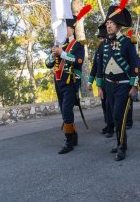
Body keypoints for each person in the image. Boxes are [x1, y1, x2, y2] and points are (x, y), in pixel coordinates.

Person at [96, 4, 138, 162]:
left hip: (123, 84)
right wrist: (100, 86)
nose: (108, 25)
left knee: (118, 115)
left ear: (118, 26)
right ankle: (120, 142)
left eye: (111, 23)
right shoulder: (104, 44)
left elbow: (135, 65)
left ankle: (122, 147)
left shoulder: (127, 43)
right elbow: (100, 66)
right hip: (108, 85)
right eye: (107, 23)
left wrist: (134, 86)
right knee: (113, 117)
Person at [46, 14, 85, 154]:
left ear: (71, 29)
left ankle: (68, 141)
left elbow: (79, 61)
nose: (62, 31)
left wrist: (62, 54)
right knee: (64, 111)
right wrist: (52, 54)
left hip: (70, 82)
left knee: (67, 111)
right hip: (58, 82)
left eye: (65, 28)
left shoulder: (78, 45)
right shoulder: (59, 45)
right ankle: (73, 136)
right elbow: (48, 64)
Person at [87, 25, 114, 137]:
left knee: (110, 105)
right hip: (101, 81)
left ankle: (112, 127)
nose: (101, 40)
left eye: (103, 38)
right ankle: (108, 124)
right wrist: (90, 81)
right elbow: (95, 66)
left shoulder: (110, 46)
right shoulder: (99, 48)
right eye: (100, 38)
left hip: (111, 80)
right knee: (104, 105)